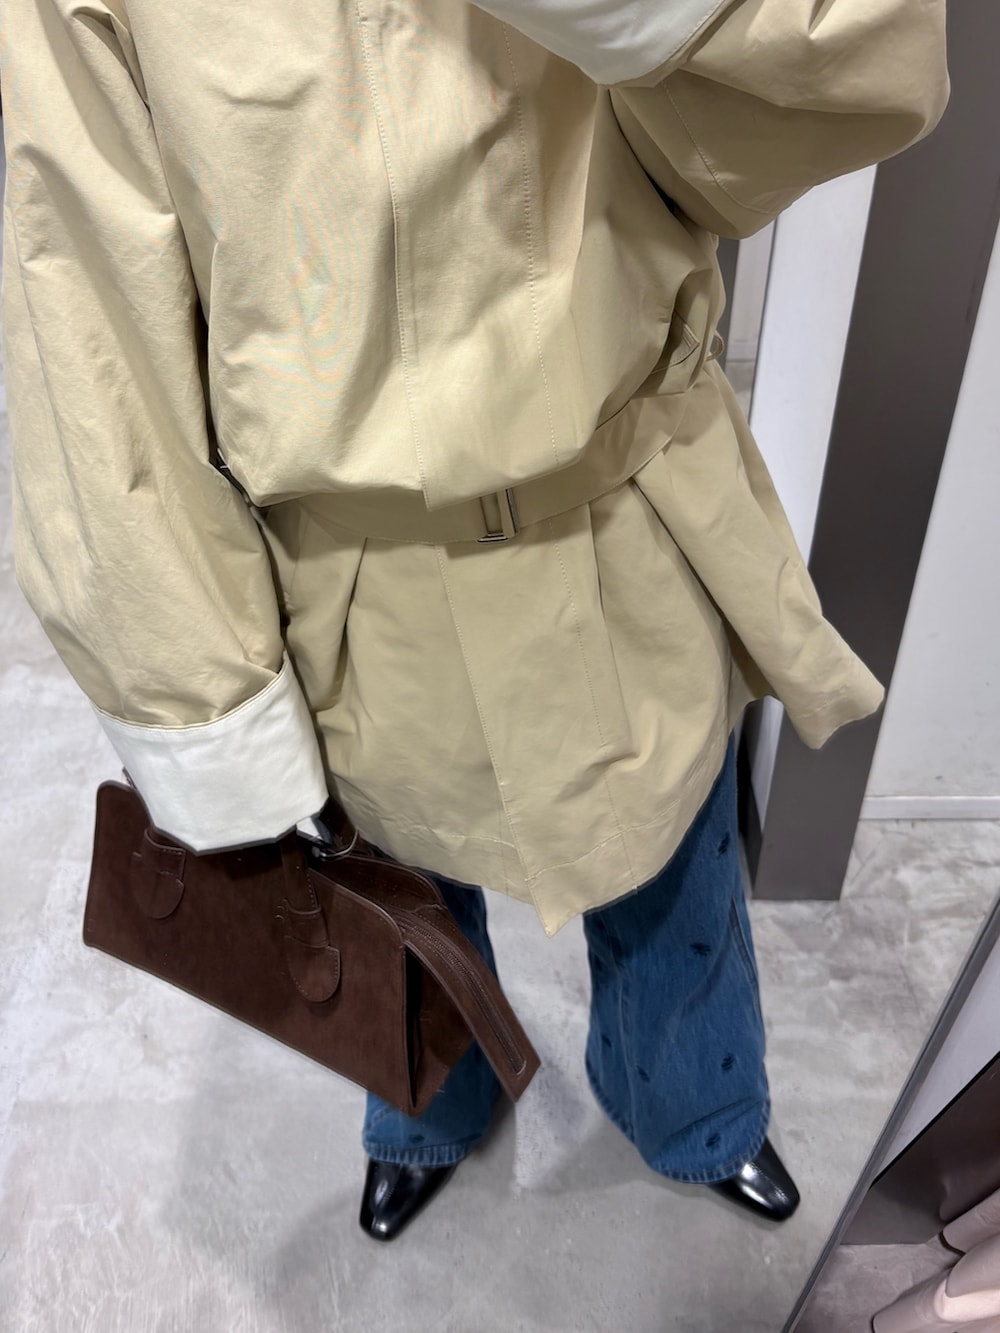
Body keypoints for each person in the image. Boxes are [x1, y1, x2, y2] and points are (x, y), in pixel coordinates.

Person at [1, 0, 948, 1242]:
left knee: (674, 851)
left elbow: (844, 80)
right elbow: (88, 317)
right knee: (400, 877)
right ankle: (432, 1099)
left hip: (621, 501)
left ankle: (695, 1102)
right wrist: (202, 688)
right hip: (355, 569)